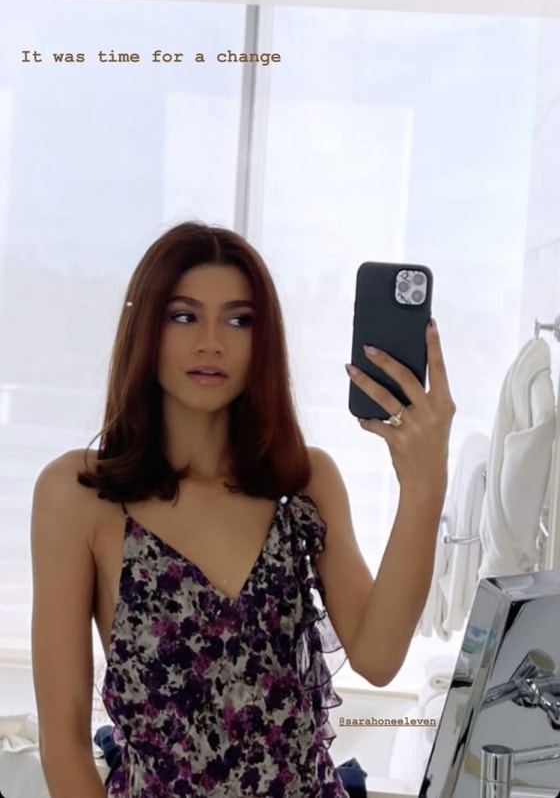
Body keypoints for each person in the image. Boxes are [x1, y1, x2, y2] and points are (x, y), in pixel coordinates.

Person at [31, 222, 455, 798]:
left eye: (239, 320)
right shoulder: (78, 494)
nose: (212, 343)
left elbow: (379, 658)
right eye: (184, 316)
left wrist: (425, 485)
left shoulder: (305, 483)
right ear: (146, 327)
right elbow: (64, 748)